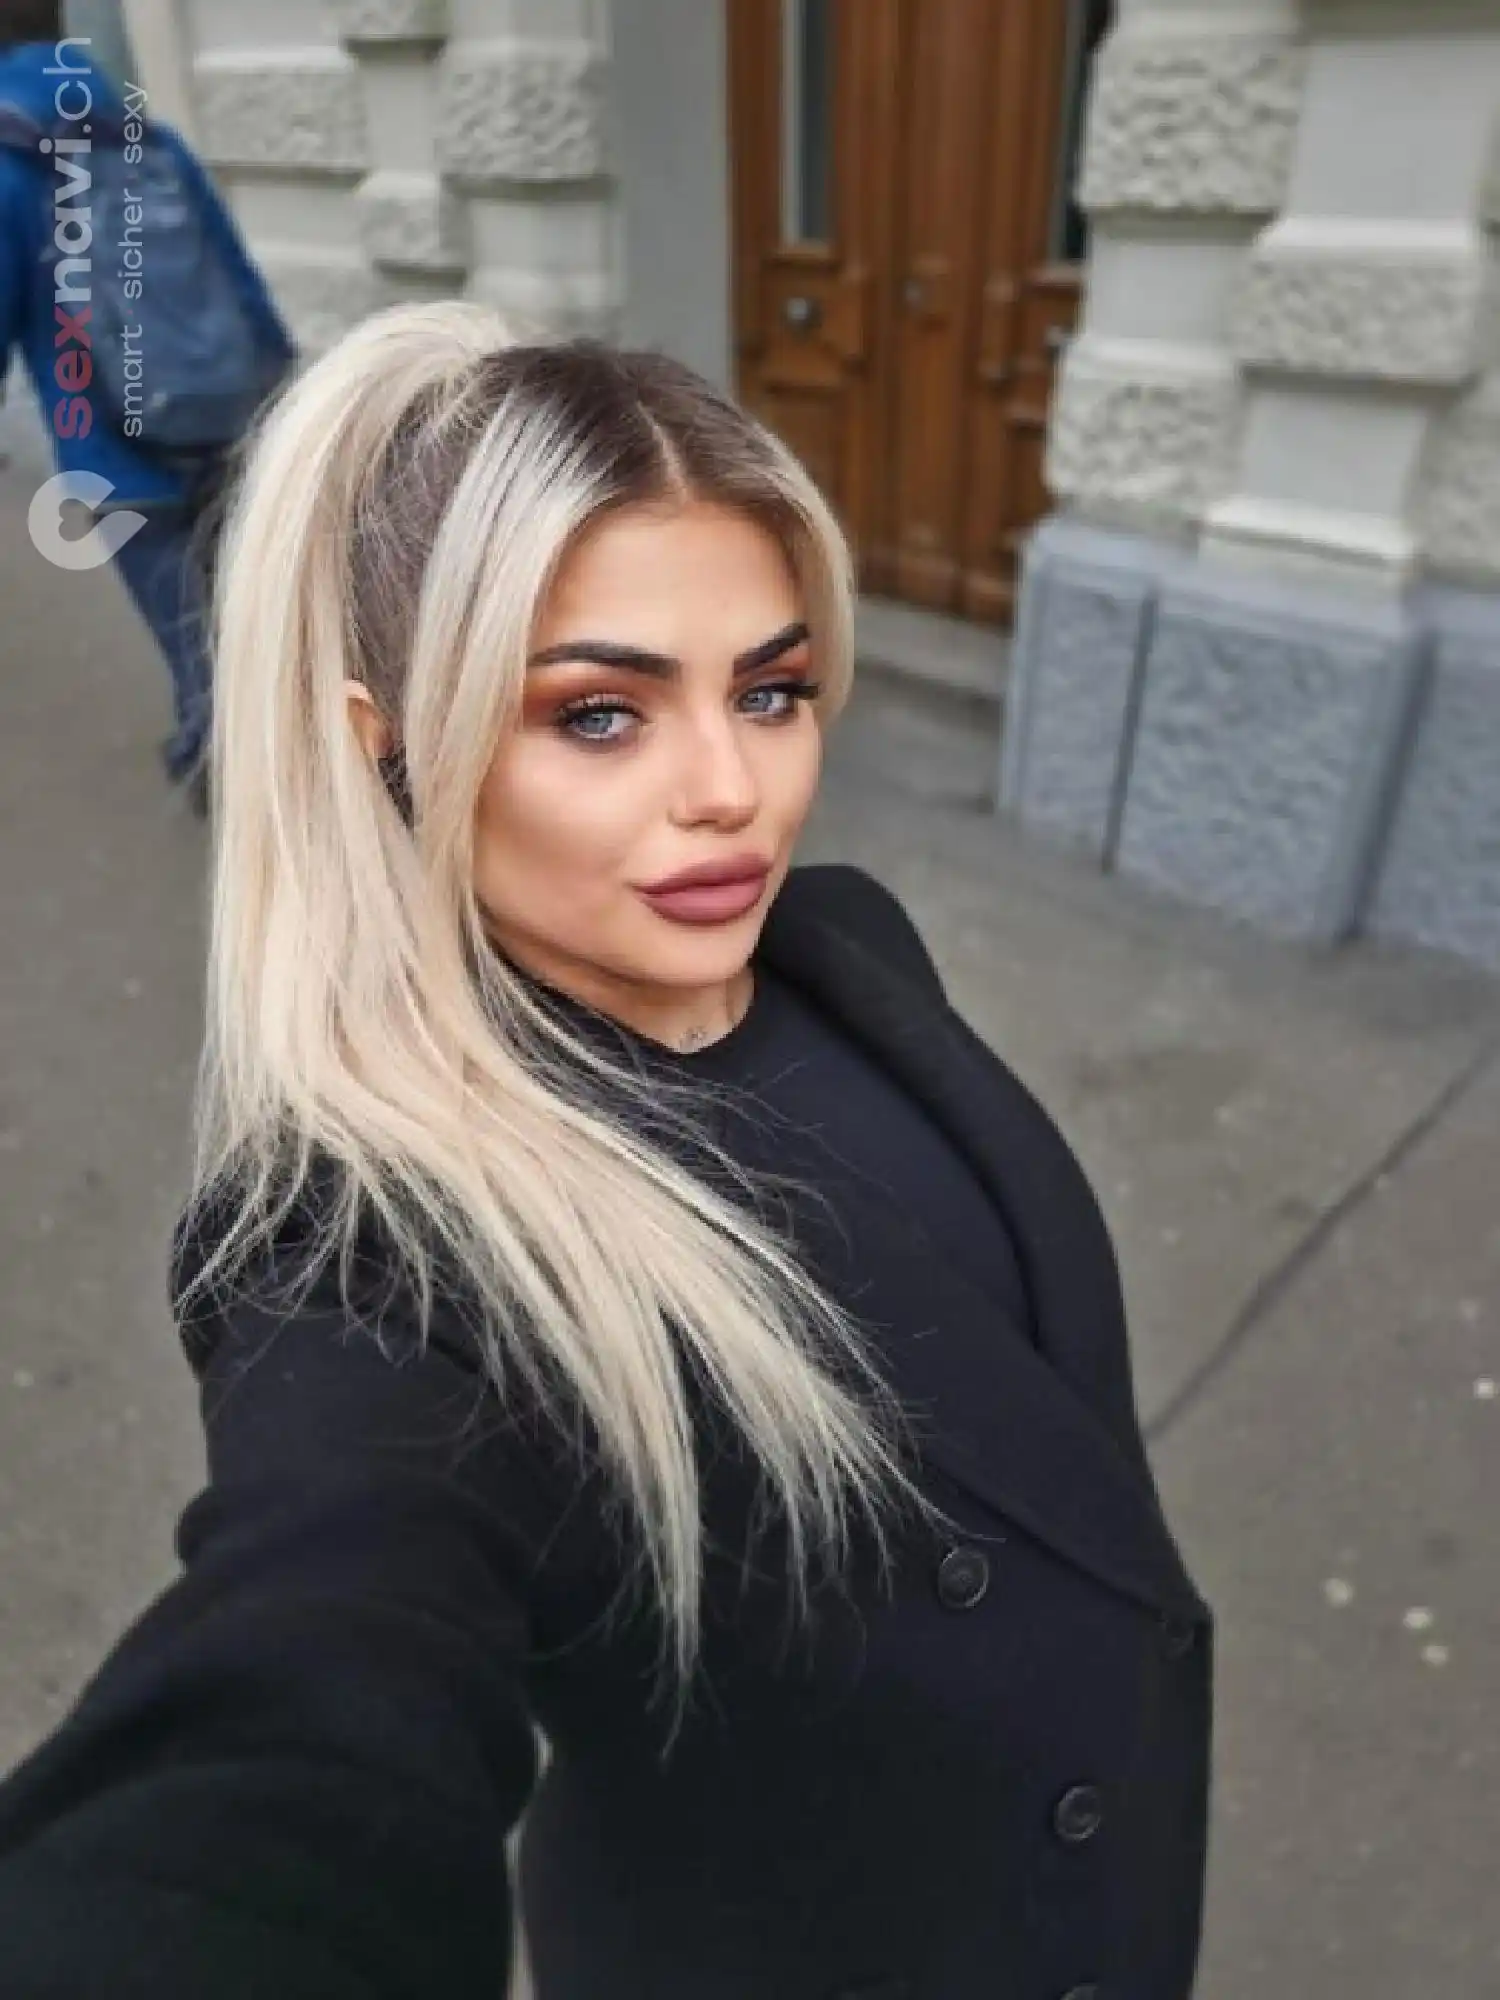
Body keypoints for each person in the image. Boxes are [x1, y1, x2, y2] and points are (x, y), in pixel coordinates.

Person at [0, 299, 1214, 1999]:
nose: (732, 791)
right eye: (598, 714)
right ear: (384, 739)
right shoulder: (371, 1258)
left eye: (772, 690)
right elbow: (305, 1687)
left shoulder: (845, 948)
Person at [0, 3, 295, 812]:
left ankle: (235, 782)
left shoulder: (9, 170)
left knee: (186, 629)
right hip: (227, 420)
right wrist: (276, 394)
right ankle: (260, 747)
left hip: (113, 451)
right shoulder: (152, 144)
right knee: (243, 605)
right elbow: (238, 281)